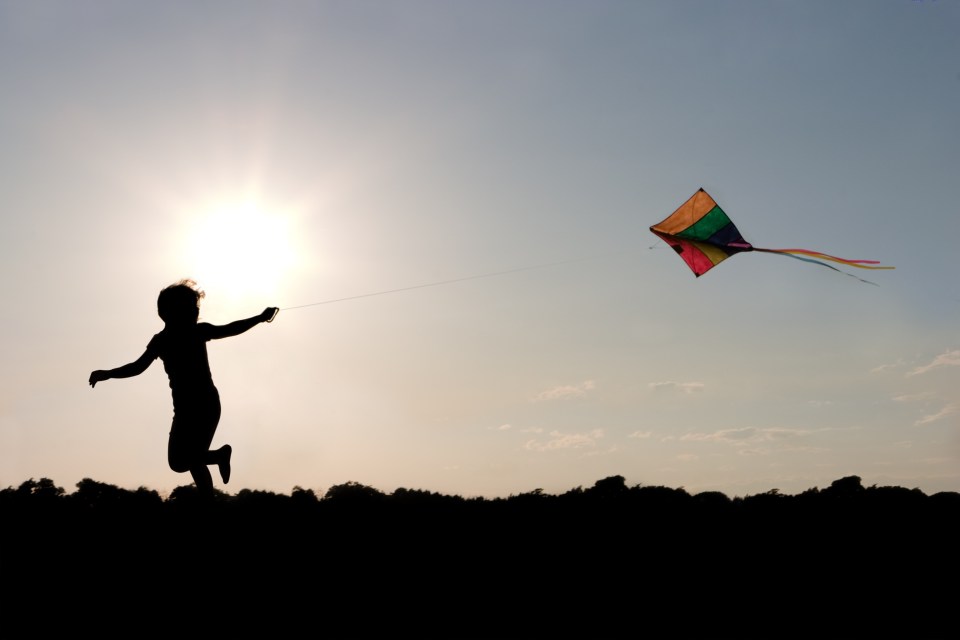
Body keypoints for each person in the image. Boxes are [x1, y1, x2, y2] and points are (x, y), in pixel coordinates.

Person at [89, 279, 278, 497]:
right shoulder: (163, 340)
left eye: (196, 308)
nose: (196, 312)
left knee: (187, 459)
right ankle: (217, 458)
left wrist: (260, 318)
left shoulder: (197, 332)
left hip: (206, 404)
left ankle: (214, 475)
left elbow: (231, 329)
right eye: (191, 308)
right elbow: (137, 367)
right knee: (183, 461)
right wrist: (108, 374)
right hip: (185, 409)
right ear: (167, 312)